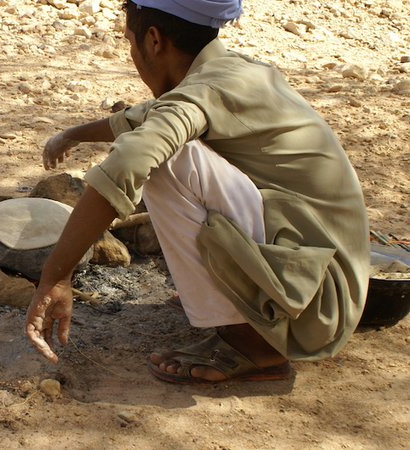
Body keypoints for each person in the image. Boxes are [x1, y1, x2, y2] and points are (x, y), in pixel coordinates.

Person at [25, 0, 369, 384]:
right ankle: (241, 305)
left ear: (153, 40)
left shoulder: (204, 91)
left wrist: (55, 276)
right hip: (330, 281)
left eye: (130, 41)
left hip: (317, 308)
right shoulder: (235, 72)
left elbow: (131, 159)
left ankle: (257, 346)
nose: (133, 53)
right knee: (161, 143)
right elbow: (149, 115)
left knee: (167, 159)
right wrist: (72, 135)